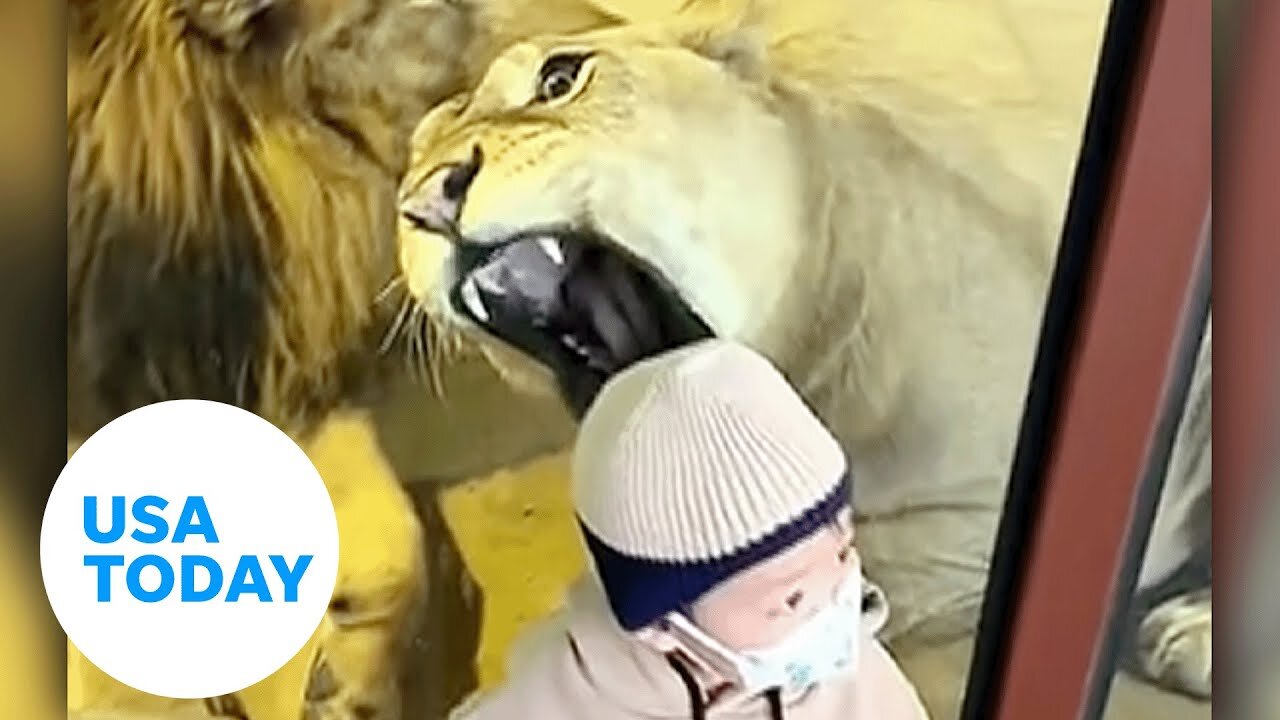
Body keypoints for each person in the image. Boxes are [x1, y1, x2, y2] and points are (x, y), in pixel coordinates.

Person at [449, 339, 929, 719]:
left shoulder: (861, 681)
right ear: (663, 626)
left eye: (843, 552)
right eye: (791, 601)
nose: (837, 603)